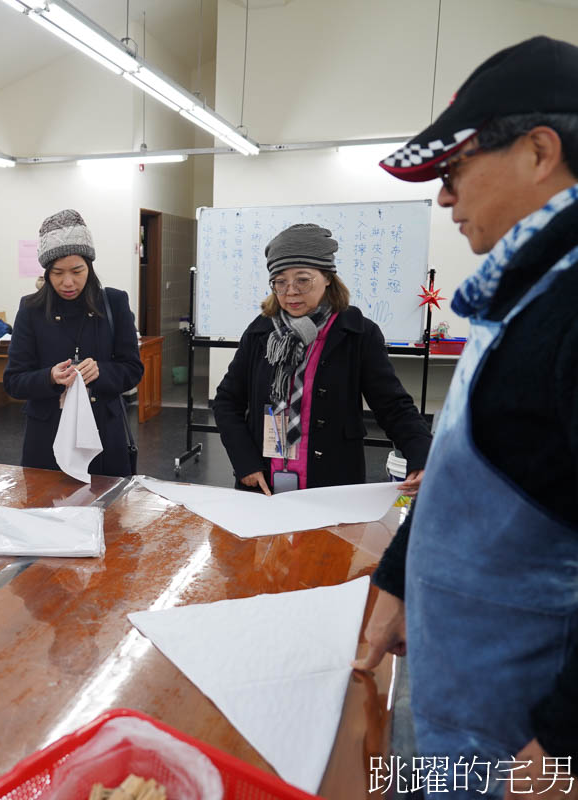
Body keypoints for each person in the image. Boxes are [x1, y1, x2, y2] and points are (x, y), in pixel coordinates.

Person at [356, 36, 578, 798]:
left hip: (523, 733)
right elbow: (468, 467)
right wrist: (396, 582)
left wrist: (562, 742)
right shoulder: (526, 294)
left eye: (452, 172)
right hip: (464, 700)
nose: (444, 198)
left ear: (538, 152)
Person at [213, 223, 431, 495]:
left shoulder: (357, 333)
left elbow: (392, 406)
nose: (290, 291)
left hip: (332, 483)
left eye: (303, 279)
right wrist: (244, 462)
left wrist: (421, 455)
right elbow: (226, 401)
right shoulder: (262, 331)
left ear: (328, 277)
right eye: (280, 281)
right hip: (264, 484)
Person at [3, 209, 144, 477]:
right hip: (47, 438)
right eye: (57, 273)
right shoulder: (31, 309)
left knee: (109, 514)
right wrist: (50, 377)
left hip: (105, 437)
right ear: (46, 272)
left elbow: (133, 369)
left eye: (77, 271)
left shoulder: (113, 303)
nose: (68, 282)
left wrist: (101, 371)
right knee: (46, 512)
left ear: (89, 266)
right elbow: (13, 381)